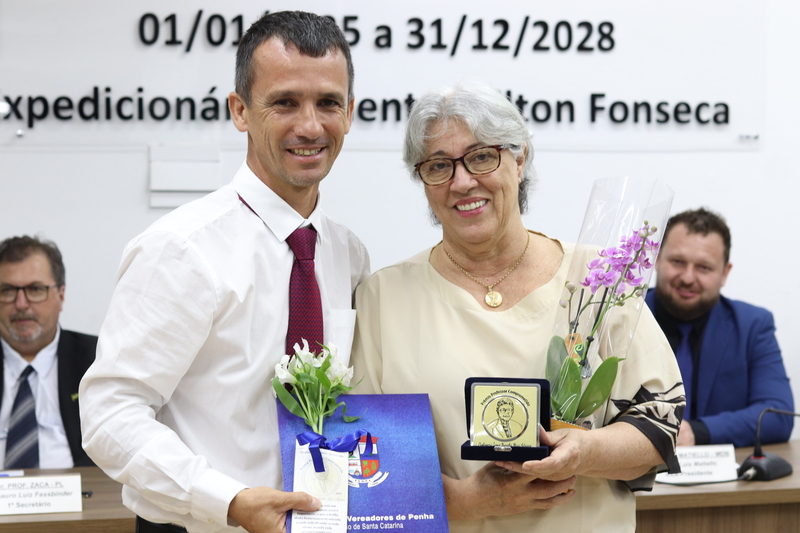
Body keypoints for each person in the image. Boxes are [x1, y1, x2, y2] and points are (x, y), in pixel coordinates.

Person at [350, 80, 684, 533]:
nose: (461, 181)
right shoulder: (383, 298)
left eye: (481, 157)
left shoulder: (598, 279)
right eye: (438, 166)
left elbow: (660, 425)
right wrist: (466, 502)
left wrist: (585, 452)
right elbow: (362, 461)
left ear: (520, 158)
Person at [79, 11, 369, 533]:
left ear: (349, 113)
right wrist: (228, 500)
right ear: (240, 111)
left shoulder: (348, 253)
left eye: (328, 103)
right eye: (285, 102)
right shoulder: (182, 249)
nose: (310, 126)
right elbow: (110, 414)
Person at [646, 207, 793, 447]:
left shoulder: (753, 326)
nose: (688, 277)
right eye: (677, 262)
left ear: (725, 273)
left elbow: (778, 416)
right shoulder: (621, 315)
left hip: (717, 469)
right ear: (658, 259)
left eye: (704, 267)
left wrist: (695, 432)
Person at [0, 235, 95, 469]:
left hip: (85, 490)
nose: (21, 304)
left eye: (35, 289)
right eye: (7, 290)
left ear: (61, 295)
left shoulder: (99, 361)